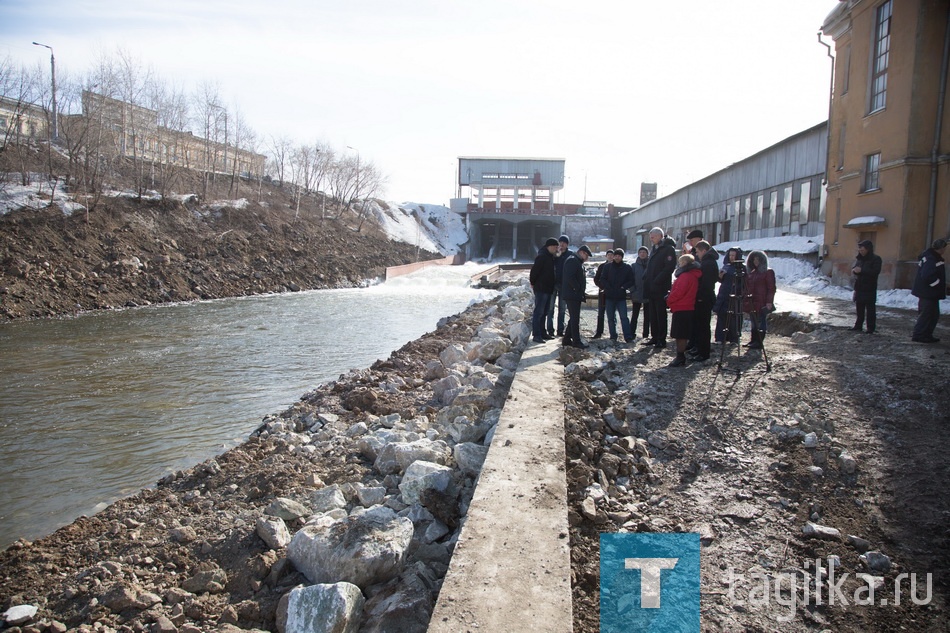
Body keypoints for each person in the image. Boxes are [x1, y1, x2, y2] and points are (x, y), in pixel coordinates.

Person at [642, 227, 677, 349]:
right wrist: (645, 276)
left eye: (653, 237)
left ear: (660, 236)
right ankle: (655, 336)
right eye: (650, 237)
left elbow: (669, 268)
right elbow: (651, 265)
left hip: (661, 287)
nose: (651, 239)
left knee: (661, 314)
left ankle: (661, 339)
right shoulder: (654, 248)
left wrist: (657, 280)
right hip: (651, 287)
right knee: (652, 314)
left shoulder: (668, 249)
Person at [666, 254, 702, 366]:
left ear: (685, 263)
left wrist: (669, 299)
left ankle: (680, 357)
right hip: (687, 306)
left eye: (681, 263)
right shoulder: (692, 275)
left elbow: (679, 292)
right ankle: (680, 356)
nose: (679, 265)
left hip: (682, 307)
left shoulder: (685, 276)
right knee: (682, 333)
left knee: (680, 334)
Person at [911, 237, 948, 343]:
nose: (944, 250)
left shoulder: (930, 256)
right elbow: (927, 275)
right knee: (927, 314)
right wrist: (937, 284)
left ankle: (926, 334)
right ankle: (919, 335)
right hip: (928, 293)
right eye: (944, 248)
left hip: (928, 292)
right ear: (940, 248)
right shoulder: (932, 258)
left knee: (933, 314)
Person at [688, 240, 719, 362]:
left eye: (698, 252)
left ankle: (704, 352)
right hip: (703, 296)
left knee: (703, 326)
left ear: (704, 251)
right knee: (699, 325)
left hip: (704, 298)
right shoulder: (707, 262)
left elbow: (706, 282)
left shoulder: (708, 263)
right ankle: (699, 348)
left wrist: (700, 296)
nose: (697, 254)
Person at [742, 250, 776, 350]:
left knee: (761, 321)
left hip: (762, 301)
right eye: (754, 260)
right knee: (753, 321)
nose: (756, 262)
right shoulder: (752, 273)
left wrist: (769, 301)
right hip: (752, 301)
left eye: (758, 259)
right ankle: (753, 340)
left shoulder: (768, 272)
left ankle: (759, 341)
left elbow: (771, 288)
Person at [601, 247, 636, 343]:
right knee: (610, 318)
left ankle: (628, 336)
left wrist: (624, 287)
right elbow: (602, 278)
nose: (617, 257)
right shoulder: (607, 267)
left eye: (619, 256)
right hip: (609, 296)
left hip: (621, 297)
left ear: (622, 257)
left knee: (624, 317)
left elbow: (631, 280)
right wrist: (608, 287)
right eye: (615, 255)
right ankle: (613, 336)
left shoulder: (627, 267)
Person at [562, 245, 592, 348]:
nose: (587, 258)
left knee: (573, 318)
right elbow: (570, 277)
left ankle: (566, 339)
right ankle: (576, 341)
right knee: (575, 319)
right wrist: (577, 288)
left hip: (574, 294)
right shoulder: (573, 260)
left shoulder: (576, 261)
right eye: (586, 255)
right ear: (582, 252)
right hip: (572, 294)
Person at [529, 238, 559, 343]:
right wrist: (533, 283)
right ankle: (536, 334)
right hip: (541, 288)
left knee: (545, 311)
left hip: (548, 289)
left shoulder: (550, 257)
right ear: (549, 246)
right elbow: (534, 272)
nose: (556, 249)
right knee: (539, 312)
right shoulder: (542, 257)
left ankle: (542, 332)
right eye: (555, 247)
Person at [850, 239, 883, 333]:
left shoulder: (876, 259)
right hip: (859, 286)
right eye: (860, 250)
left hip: (869, 287)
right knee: (859, 308)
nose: (861, 252)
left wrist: (862, 271)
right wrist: (854, 270)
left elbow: (876, 271)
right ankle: (858, 326)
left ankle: (870, 328)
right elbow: (856, 268)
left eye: (863, 250)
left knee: (870, 309)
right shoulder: (859, 259)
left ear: (868, 249)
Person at [714, 247, 743, 344]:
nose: (731, 257)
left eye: (733, 255)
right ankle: (720, 337)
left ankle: (734, 338)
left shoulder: (741, 268)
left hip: (735, 294)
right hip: (723, 293)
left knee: (733, 318)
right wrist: (720, 276)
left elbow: (743, 282)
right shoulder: (725, 266)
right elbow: (721, 280)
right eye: (730, 255)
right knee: (722, 316)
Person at [548, 235, 573, 337]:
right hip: (553, 284)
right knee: (550, 308)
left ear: (567, 245)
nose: (562, 244)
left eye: (564, 243)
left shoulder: (570, 255)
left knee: (562, 309)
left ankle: (560, 330)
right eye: (560, 242)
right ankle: (550, 330)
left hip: (564, 285)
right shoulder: (554, 254)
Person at [591, 249, 614, 339]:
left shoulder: (616, 266)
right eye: (609, 255)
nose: (610, 256)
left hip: (612, 293)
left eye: (612, 255)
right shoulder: (602, 266)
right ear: (606, 256)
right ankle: (599, 332)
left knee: (612, 314)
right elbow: (596, 279)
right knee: (601, 312)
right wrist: (601, 287)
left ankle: (613, 333)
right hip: (602, 293)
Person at [629, 246, 650, 340]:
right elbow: (630, 279)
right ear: (638, 254)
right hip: (637, 293)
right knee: (635, 315)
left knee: (647, 316)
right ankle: (631, 333)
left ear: (647, 254)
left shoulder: (651, 265)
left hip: (648, 294)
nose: (642, 254)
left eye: (644, 252)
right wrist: (633, 290)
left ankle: (646, 334)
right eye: (640, 252)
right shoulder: (634, 266)